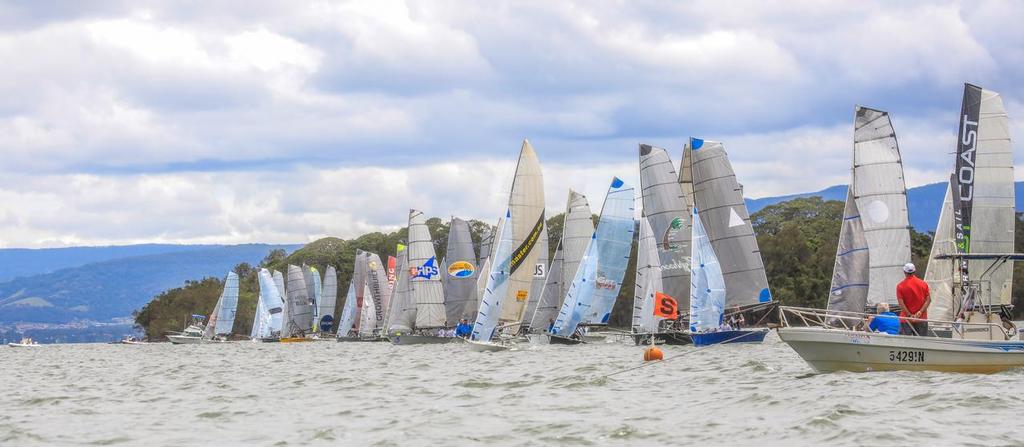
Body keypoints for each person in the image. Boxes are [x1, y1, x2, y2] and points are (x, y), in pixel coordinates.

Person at [897, 262, 931, 336]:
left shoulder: (900, 286)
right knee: (921, 344)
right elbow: (928, 300)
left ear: (904, 272)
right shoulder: (923, 284)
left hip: (906, 319)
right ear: (914, 271)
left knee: (905, 343)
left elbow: (901, 303)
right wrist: (920, 312)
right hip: (921, 318)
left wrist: (909, 315)